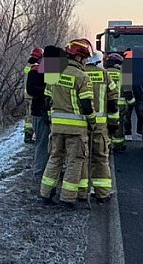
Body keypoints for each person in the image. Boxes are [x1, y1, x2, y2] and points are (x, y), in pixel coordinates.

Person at [39, 41, 96, 207]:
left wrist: (51, 119)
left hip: (56, 127)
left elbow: (47, 100)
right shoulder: (82, 77)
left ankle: (45, 194)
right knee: (74, 162)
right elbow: (86, 105)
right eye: (84, 58)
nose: (85, 62)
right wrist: (92, 122)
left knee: (55, 158)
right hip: (76, 130)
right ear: (78, 57)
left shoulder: (54, 73)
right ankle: (67, 198)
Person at [81, 50, 120, 202]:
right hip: (100, 125)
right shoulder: (104, 74)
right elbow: (113, 101)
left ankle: (82, 192)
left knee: (81, 158)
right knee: (101, 158)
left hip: (81, 124)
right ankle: (102, 193)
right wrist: (113, 123)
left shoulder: (79, 73)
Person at [25, 47, 50, 180]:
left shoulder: (40, 70)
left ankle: (43, 171)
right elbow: (31, 90)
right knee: (42, 143)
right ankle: (39, 173)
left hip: (41, 110)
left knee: (45, 143)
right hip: (40, 111)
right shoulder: (35, 71)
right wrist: (46, 91)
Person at [105, 52, 136, 151]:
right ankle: (118, 146)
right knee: (118, 126)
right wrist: (132, 103)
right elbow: (128, 93)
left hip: (104, 105)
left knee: (105, 125)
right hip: (119, 107)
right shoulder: (124, 74)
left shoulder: (103, 73)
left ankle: (106, 145)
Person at [22, 52, 39, 144]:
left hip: (26, 95)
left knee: (28, 115)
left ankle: (28, 134)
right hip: (32, 95)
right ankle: (28, 136)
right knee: (30, 116)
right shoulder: (35, 67)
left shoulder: (27, 67)